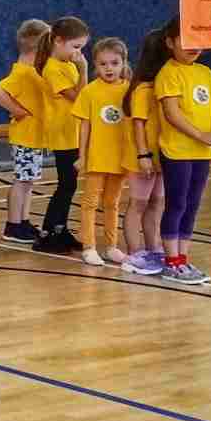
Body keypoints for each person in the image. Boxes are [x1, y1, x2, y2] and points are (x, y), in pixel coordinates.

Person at [155, 16, 211, 285]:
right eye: (186, 41)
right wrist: (202, 135)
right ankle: (172, 262)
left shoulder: (205, 72)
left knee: (193, 204)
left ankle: (183, 259)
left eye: (198, 41)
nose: (193, 47)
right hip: (177, 151)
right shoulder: (168, 73)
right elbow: (172, 114)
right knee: (177, 203)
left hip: (202, 151)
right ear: (170, 42)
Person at [0, 18, 52, 245]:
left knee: (28, 182)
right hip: (26, 136)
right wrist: (19, 111)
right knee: (22, 181)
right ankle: (13, 225)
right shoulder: (23, 72)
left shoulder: (33, 72)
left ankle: (23, 221)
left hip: (35, 136)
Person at [74, 38, 133, 268]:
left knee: (113, 202)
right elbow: (85, 126)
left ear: (123, 63)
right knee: (90, 202)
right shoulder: (90, 91)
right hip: (97, 157)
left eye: (114, 63)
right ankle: (88, 247)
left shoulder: (129, 90)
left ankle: (110, 247)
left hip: (120, 158)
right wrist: (83, 155)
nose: (109, 68)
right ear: (95, 66)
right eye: (103, 64)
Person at [33, 16, 90, 254]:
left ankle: (61, 228)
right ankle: (48, 233)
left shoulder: (67, 65)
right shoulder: (53, 68)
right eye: (75, 47)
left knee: (70, 185)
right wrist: (84, 69)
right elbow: (81, 98)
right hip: (63, 135)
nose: (78, 53)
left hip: (74, 132)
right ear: (58, 41)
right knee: (66, 185)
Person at [119, 30, 169, 276]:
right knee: (138, 203)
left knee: (157, 203)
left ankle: (154, 247)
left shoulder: (164, 84)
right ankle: (135, 252)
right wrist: (143, 155)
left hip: (161, 157)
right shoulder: (142, 89)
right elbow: (139, 124)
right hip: (143, 159)